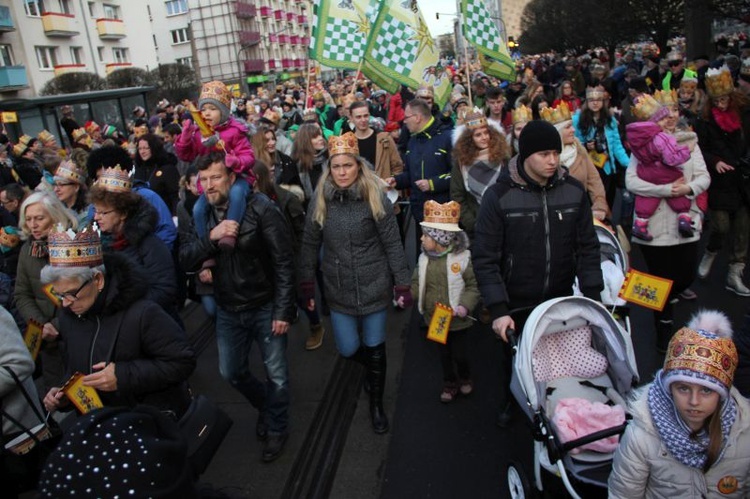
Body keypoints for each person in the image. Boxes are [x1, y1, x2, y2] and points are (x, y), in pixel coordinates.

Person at [472, 120, 603, 427]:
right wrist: (499, 309)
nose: (552, 161)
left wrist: (593, 296)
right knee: (515, 359)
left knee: (558, 358)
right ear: (526, 154)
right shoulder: (499, 197)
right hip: (516, 298)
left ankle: (553, 404)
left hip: (560, 294)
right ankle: (512, 397)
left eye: (556, 153)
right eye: (544, 154)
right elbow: (485, 257)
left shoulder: (573, 191)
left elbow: (587, 247)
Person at [179, 151, 296, 462]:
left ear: (232, 178)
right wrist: (211, 239)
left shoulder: (260, 209)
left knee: (277, 375)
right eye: (203, 180)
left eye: (215, 177)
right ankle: (267, 407)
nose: (209, 185)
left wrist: (284, 310)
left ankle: (277, 427)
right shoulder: (201, 215)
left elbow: (284, 261)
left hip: (264, 304)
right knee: (230, 372)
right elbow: (185, 257)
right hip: (228, 307)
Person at [300, 133, 411, 434]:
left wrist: (401, 283)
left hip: (374, 282)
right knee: (348, 348)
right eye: (336, 166)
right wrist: (307, 284)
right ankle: (372, 372)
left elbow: (392, 243)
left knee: (375, 347)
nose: (342, 172)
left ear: (358, 166)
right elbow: (310, 242)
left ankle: (376, 402)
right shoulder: (320, 197)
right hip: (338, 287)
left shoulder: (374, 194)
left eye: (348, 165)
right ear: (330, 169)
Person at [40, 226, 195, 417]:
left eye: (71, 294)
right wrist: (64, 392)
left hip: (148, 421)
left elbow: (182, 361)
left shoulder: (142, 312)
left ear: (98, 280)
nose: (64, 303)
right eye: (59, 294)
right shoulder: (69, 316)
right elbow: (76, 366)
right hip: (101, 423)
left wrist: (123, 376)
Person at [609, 310, 750, 498]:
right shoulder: (641, 437)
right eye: (683, 388)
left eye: (706, 390)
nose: (693, 401)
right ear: (669, 388)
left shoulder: (744, 434)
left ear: (721, 393)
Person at [626, 91, 710, 350]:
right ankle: (662, 328)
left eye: (675, 110)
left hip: (684, 223)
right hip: (652, 227)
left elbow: (704, 178)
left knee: (683, 277)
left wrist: (687, 189)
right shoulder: (642, 148)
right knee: (658, 280)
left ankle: (664, 301)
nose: (671, 116)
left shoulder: (690, 142)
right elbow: (631, 181)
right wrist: (664, 190)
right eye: (665, 112)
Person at [411, 200, 480, 402]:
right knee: (444, 355)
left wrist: (464, 306)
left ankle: (465, 377)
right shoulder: (424, 259)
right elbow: (417, 281)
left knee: (460, 354)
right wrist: (409, 294)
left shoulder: (463, 259)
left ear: (439, 239)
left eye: (426, 235)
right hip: (436, 317)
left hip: (458, 318)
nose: (421, 238)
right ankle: (449, 383)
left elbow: (473, 286)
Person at [175, 80, 256, 250]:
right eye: (203, 109)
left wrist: (234, 160)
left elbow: (248, 156)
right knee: (198, 209)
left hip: (237, 177)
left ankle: (229, 233)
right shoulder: (199, 134)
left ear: (224, 112)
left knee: (236, 194)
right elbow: (185, 154)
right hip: (211, 182)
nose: (207, 113)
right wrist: (185, 137)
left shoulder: (235, 131)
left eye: (213, 109)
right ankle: (205, 244)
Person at [253, 160, 324, 350]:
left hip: (291, 257)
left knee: (303, 298)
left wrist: (303, 262)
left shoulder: (286, 199)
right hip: (265, 261)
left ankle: (316, 325)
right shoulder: (247, 202)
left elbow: (302, 234)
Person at [89, 166, 178, 316]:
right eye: (96, 211)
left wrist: (126, 311)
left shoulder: (149, 244)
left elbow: (164, 290)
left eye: (103, 212)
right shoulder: (102, 244)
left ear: (123, 213)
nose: (96, 217)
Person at [14, 191, 78, 389]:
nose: (33, 224)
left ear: (55, 216)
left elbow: (84, 293)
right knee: (57, 395)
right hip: (47, 343)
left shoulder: (74, 244)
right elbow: (22, 293)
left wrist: (58, 324)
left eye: (39, 218)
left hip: (77, 333)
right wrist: (42, 325)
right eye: (29, 219)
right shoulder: (27, 250)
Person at [696, 65, 750, 297]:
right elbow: (701, 149)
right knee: (721, 225)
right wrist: (715, 161)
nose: (722, 103)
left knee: (742, 229)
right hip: (719, 181)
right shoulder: (705, 120)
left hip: (743, 180)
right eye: (717, 100)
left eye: (725, 98)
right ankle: (711, 250)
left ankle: (734, 273)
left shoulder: (744, 114)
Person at [627, 93, 694, 241]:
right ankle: (684, 217)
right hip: (663, 171)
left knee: (647, 197)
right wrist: (686, 151)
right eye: (662, 119)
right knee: (678, 180)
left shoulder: (638, 139)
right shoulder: (662, 137)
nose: (666, 120)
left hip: (645, 171)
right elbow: (671, 159)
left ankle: (640, 223)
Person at [387, 98, 453, 248]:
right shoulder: (413, 141)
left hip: (443, 216)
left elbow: (458, 175)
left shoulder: (447, 137)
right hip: (419, 213)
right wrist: (396, 181)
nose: (404, 122)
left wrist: (433, 183)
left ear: (417, 118)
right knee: (423, 262)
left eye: (406, 117)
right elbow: (411, 175)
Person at [85, 145, 177, 251]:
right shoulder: (94, 207)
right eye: (100, 177)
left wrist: (151, 256)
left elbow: (166, 232)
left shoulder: (148, 197)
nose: (104, 182)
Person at [543, 101, 610, 221]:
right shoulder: (545, 157)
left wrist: (599, 205)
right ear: (557, 131)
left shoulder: (579, 149)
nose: (573, 130)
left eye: (572, 125)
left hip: (581, 214)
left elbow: (593, 179)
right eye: (568, 127)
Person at [451, 107, 511, 238]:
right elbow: (457, 196)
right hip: (477, 227)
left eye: (486, 133)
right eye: (478, 135)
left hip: (504, 223)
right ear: (469, 139)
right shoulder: (461, 163)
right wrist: (472, 223)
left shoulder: (503, 158)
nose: (484, 138)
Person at [573, 85, 631, 209]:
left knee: (608, 201)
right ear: (587, 102)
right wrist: (585, 146)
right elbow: (573, 143)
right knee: (591, 203)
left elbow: (616, 145)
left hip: (607, 167)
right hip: (588, 166)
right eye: (591, 101)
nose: (595, 103)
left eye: (598, 100)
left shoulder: (610, 120)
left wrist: (629, 165)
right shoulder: (578, 120)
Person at [349, 100, 404, 182]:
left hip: (383, 189)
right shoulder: (348, 142)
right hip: (359, 190)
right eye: (358, 117)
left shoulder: (384, 138)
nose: (363, 120)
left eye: (365, 116)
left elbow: (397, 166)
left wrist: (392, 180)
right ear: (351, 118)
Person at [133, 133, 181, 215]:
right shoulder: (138, 169)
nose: (142, 152)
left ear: (154, 148)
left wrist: (175, 216)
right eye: (140, 149)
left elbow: (175, 196)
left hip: (165, 214)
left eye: (146, 148)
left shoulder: (167, 169)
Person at [291, 123, 329, 205]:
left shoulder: (329, 158)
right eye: (315, 137)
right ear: (305, 141)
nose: (320, 139)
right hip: (309, 208)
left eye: (320, 135)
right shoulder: (296, 164)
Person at [51, 160, 88, 226]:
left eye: (61, 185)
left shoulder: (88, 213)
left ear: (76, 187)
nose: (56, 189)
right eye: (55, 185)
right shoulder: (55, 209)